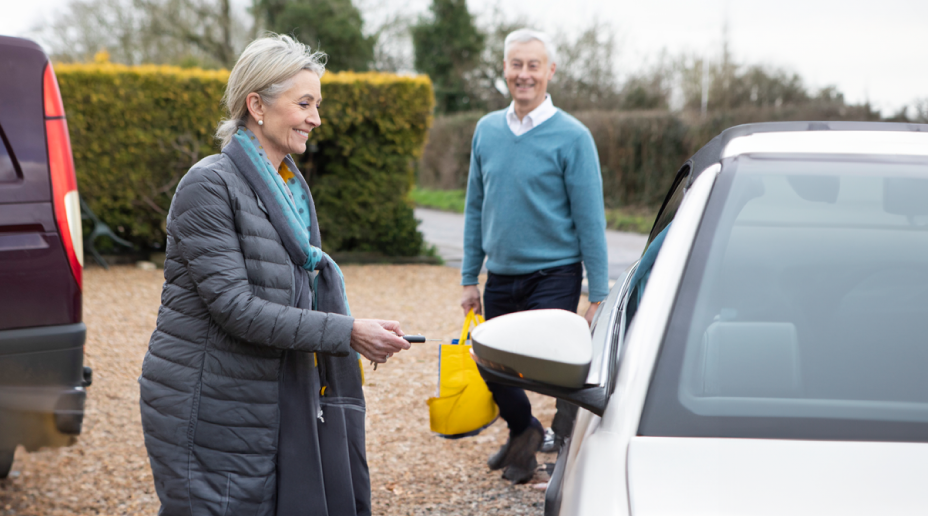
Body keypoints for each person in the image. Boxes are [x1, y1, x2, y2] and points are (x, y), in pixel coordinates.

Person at [138, 34, 410, 516]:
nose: (316, 118)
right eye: (304, 103)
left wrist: (351, 328)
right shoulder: (208, 185)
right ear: (256, 105)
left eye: (317, 104)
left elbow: (292, 299)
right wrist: (347, 333)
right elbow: (237, 309)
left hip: (264, 396)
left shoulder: (287, 187)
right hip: (210, 403)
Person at [460, 28, 609, 484]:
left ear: (550, 71)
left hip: (555, 273)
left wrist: (598, 292)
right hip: (501, 275)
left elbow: (590, 219)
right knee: (491, 363)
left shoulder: (573, 137)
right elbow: (474, 207)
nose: (524, 75)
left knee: (556, 369)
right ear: (505, 69)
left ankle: (567, 454)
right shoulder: (486, 130)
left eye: (533, 65)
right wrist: (470, 276)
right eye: (516, 65)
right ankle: (524, 431)